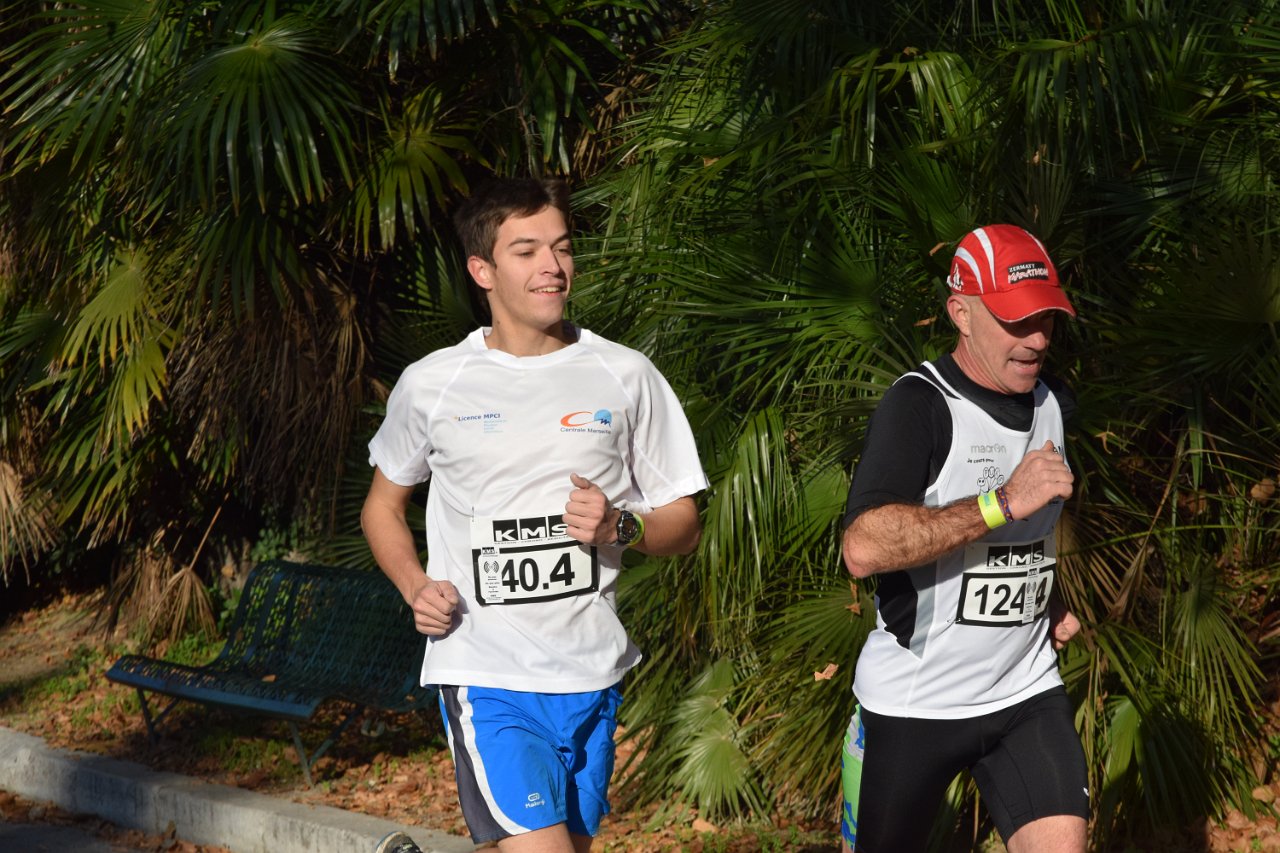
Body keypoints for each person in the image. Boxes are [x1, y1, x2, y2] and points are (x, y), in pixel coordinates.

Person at [361, 177, 707, 853]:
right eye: (526, 251)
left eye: (562, 248)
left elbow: (685, 523)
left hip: (591, 673)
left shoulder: (626, 375)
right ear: (482, 270)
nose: (552, 266)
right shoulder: (434, 383)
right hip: (486, 672)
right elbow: (382, 507)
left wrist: (621, 526)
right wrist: (414, 586)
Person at [838, 224, 1089, 853]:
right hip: (916, 702)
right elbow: (863, 547)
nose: (1037, 339)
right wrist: (1002, 502)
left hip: (1024, 689)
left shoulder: (1055, 403)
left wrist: (1045, 597)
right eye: (1016, 320)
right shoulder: (920, 404)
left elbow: (1025, 539)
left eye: (1046, 319)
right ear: (962, 314)